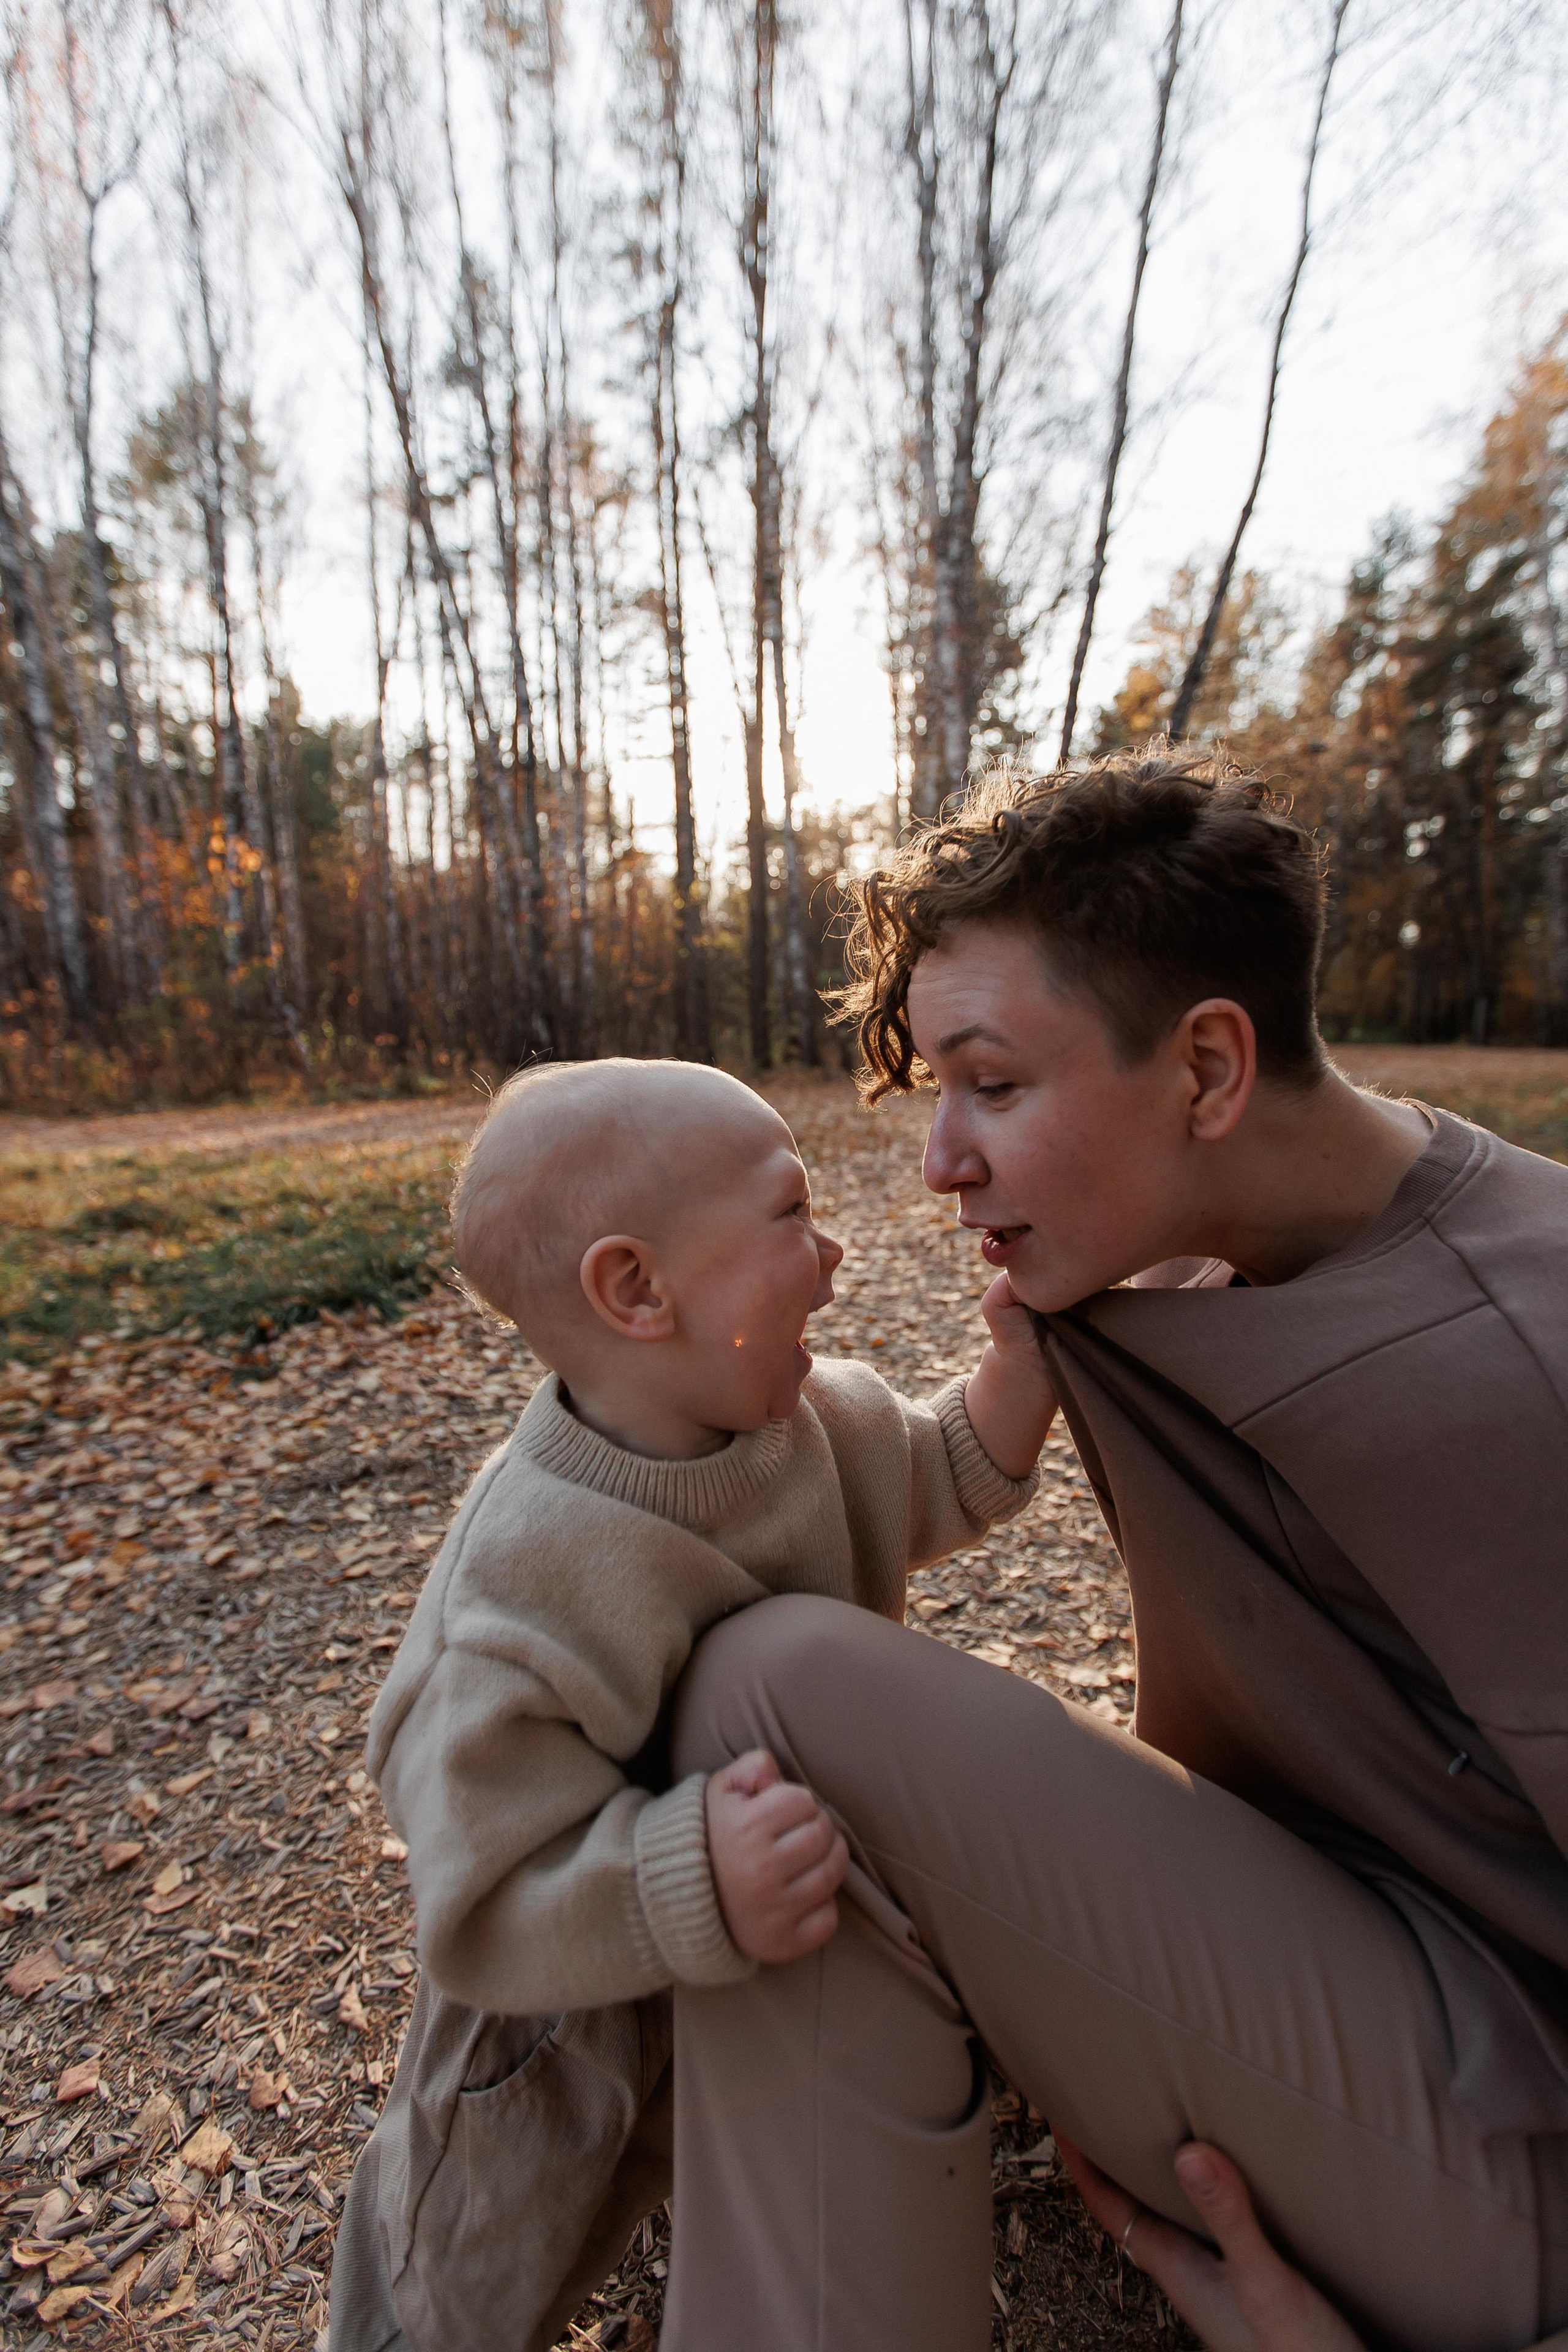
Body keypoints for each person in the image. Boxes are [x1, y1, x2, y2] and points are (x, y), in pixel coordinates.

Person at [657, 747, 1568, 2352]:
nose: (940, 1159)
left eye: (993, 1085)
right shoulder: (1198, 1266)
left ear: (1210, 1071)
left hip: (1518, 2153)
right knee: (770, 1751)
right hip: (1375, 1960)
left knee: (776, 1693)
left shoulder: (1526, 1370)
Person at [326, 1057, 1055, 2352]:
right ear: (636, 1290)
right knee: (473, 2268)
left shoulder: (805, 1418)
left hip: (748, 1931)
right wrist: (681, 1877)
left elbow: (929, 1472)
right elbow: (482, 1879)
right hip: (558, 2005)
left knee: (704, 2163)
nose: (831, 1256)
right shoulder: (529, 1573)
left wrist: (1021, 1374)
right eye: (788, 1215)